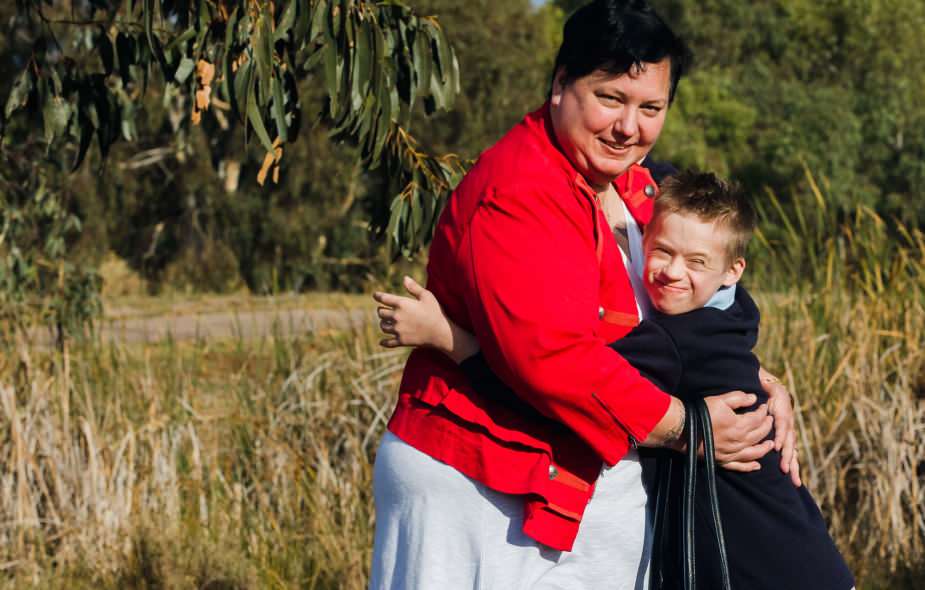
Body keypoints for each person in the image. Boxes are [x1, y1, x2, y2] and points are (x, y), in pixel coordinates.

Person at [369, 1, 798, 588]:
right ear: (560, 84)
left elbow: (701, 303)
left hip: (576, 488)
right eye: (610, 99)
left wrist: (758, 386)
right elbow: (552, 359)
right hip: (484, 489)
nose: (630, 127)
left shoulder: (645, 184)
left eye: (651, 107)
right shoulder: (518, 194)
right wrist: (691, 428)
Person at [377, 171, 855, 590]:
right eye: (662, 250)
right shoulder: (732, 316)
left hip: (764, 566)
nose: (671, 272)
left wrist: (446, 337)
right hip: (802, 547)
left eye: (695, 262)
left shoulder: (667, 345)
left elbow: (549, 381)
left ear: (733, 272)